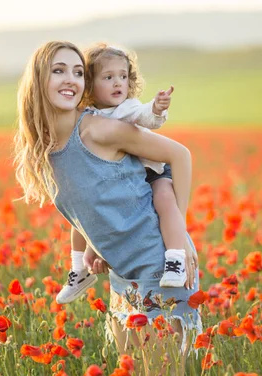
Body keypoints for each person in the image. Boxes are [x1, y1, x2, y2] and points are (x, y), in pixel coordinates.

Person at [12, 41, 202, 376]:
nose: (71, 79)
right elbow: (92, 206)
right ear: (38, 80)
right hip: (121, 278)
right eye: (59, 70)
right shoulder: (48, 149)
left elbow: (180, 155)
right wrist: (96, 249)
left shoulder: (98, 129)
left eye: (78, 72)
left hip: (161, 269)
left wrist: (180, 235)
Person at [55, 43, 191, 304]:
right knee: (80, 214)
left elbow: (147, 117)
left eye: (123, 76)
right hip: (128, 178)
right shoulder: (88, 115)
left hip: (152, 170)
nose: (118, 83)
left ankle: (175, 257)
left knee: (165, 200)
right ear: (90, 84)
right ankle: (78, 270)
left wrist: (157, 107)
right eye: (108, 78)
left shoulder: (126, 108)